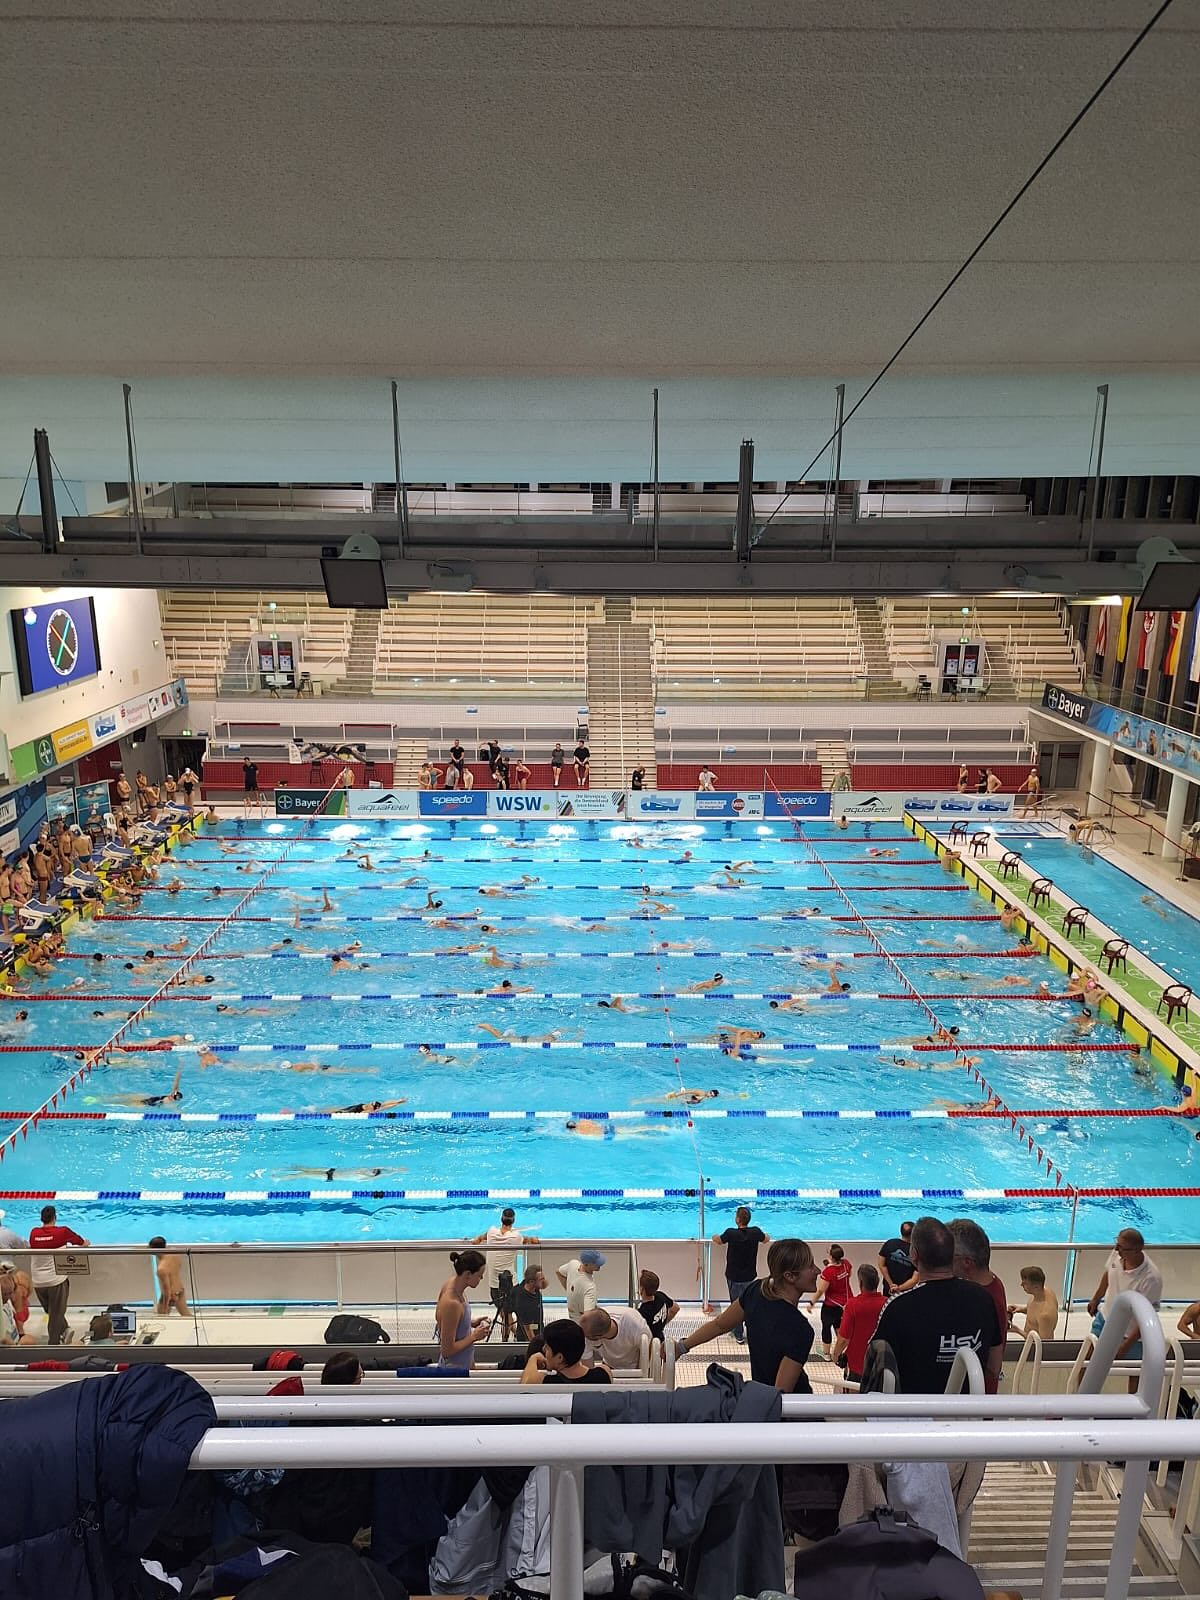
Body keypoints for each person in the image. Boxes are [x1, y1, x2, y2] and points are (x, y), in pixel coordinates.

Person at [872, 1216, 1004, 1394]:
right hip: (968, 1408)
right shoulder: (984, 1299)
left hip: (915, 1408)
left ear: (914, 1255)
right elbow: (994, 1367)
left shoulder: (898, 1307)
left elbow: (876, 1369)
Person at [677, 1238, 817, 1392]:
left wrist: (682, 1347)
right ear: (789, 1276)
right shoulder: (800, 1329)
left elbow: (719, 1325)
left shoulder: (757, 1291)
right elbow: (780, 1395)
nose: (818, 1271)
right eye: (811, 1266)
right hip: (791, 1401)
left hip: (761, 1393)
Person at [1086, 1227, 1163, 1371]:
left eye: (1121, 1247)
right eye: (1117, 1243)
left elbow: (1147, 1316)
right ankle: (1080, 1387)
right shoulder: (1119, 1253)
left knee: (1134, 1371)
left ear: (1137, 1250)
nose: (1116, 1249)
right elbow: (1109, 1273)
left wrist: (1126, 1346)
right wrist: (1096, 1299)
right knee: (1088, 1361)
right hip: (1105, 1319)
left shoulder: (1151, 1279)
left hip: (1129, 1332)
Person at [948, 1217, 1008, 1393]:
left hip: (975, 1394)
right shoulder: (992, 1281)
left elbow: (993, 1367)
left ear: (967, 1262)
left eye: (949, 1256)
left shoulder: (984, 1300)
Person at [470, 1206, 539, 1342]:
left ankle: (509, 1337)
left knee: (505, 1314)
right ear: (513, 1221)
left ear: (501, 1219)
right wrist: (534, 1239)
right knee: (516, 1315)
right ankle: (521, 1338)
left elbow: (478, 1239)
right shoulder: (516, 1237)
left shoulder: (491, 1232)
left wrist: (476, 1240)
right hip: (512, 1286)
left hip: (495, 1286)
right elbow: (532, 1241)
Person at [28, 1203, 89, 1345]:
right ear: (55, 1217)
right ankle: (53, 1345)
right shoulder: (62, 1232)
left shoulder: (34, 1233)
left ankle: (65, 1330)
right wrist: (85, 1243)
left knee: (52, 1312)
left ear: (41, 1219)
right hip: (56, 1281)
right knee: (55, 1315)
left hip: (37, 1282)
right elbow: (82, 1243)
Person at [713, 1206, 769, 1341]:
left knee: (736, 1305)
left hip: (733, 1276)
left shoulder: (731, 1233)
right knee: (749, 1304)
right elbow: (766, 1239)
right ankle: (752, 1332)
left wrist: (713, 1236)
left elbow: (718, 1240)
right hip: (749, 1276)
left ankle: (738, 1334)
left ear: (737, 1219)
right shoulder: (755, 1232)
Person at [435, 1248, 491, 1368]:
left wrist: (470, 1323)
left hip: (464, 1365)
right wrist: (474, 1336)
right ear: (468, 1274)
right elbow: (446, 1351)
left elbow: (449, 1322)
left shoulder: (453, 1285)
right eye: (479, 1275)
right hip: (453, 1372)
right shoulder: (452, 1303)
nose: (481, 1279)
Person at [832, 1263, 888, 1384]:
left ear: (861, 1283)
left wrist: (835, 1356)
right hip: (881, 1363)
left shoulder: (853, 1305)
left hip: (857, 1365)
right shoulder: (887, 1304)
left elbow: (843, 1339)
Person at [522, 1318, 613, 1385]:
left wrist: (533, 1358)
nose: (543, 1349)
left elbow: (525, 1386)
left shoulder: (546, 1382)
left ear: (560, 1358)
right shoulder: (604, 1373)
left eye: (547, 1347)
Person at [811, 1243, 853, 1356]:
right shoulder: (846, 1264)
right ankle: (839, 1352)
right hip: (845, 1303)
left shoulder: (828, 1272)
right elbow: (848, 1276)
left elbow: (821, 1290)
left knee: (826, 1327)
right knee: (839, 1326)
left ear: (831, 1256)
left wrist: (812, 1303)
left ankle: (826, 1354)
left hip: (831, 1305)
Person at [579, 1304, 651, 1370]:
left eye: (586, 1336)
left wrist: (640, 1373)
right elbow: (588, 1368)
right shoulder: (586, 1327)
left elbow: (648, 1351)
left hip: (633, 1366)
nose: (582, 1336)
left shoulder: (634, 1325)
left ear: (599, 1337)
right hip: (608, 1365)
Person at [1009, 1265, 1059, 1340]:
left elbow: (1043, 1344)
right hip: (1029, 1341)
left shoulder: (1045, 1315)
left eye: (1025, 1283)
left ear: (1036, 1287)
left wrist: (1017, 1330)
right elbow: (1035, 1312)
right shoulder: (1041, 1293)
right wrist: (1021, 1309)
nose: (1021, 1285)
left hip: (1034, 1346)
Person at [556, 1249, 605, 1320]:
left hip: (572, 1316)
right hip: (582, 1322)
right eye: (595, 1263)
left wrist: (570, 1292)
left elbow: (558, 1272)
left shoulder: (573, 1264)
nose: (599, 1265)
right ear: (586, 1264)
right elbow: (588, 1317)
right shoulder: (590, 1287)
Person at [149, 1236, 192, 1317]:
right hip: (180, 1290)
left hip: (170, 1295)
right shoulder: (174, 1253)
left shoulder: (161, 1269)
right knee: (186, 1315)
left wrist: (165, 1307)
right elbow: (178, 1266)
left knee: (161, 1317)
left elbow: (167, 1291)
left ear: (152, 1250)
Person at [636, 1268, 679, 1339]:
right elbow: (675, 1308)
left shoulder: (642, 1313)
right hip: (661, 1338)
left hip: (649, 1343)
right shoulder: (661, 1296)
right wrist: (661, 1324)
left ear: (642, 1289)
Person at [878, 1220, 915, 1295]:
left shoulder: (889, 1243)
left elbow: (881, 1265)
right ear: (914, 1234)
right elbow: (915, 1279)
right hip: (906, 1293)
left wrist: (891, 1284)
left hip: (889, 1289)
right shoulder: (915, 1251)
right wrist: (899, 1288)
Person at [513, 1264, 547, 1341]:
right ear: (531, 1281)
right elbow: (528, 1328)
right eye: (541, 1279)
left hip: (538, 1327)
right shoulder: (523, 1301)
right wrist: (535, 1344)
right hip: (527, 1336)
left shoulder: (533, 1287)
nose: (544, 1281)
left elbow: (544, 1285)